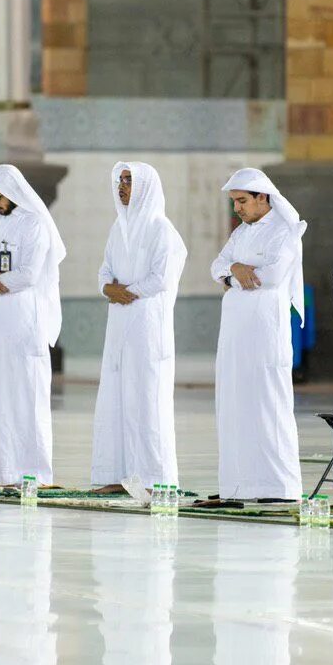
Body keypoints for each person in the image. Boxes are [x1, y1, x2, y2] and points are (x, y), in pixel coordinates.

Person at [210, 168, 307, 501]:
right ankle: (240, 484)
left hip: (266, 330)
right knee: (236, 402)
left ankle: (278, 486)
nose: (237, 208)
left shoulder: (285, 232)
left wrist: (231, 275)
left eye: (241, 201)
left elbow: (272, 276)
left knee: (268, 402)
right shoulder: (241, 234)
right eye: (234, 202)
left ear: (262, 197)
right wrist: (236, 269)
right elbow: (217, 266)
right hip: (235, 333)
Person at [91, 162, 188, 493]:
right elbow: (104, 270)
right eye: (120, 179)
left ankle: (153, 478)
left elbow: (162, 277)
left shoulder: (162, 229)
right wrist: (109, 288)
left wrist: (125, 291)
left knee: (146, 400)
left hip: (147, 326)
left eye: (129, 180)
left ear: (146, 186)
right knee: (115, 399)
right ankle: (118, 477)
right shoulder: (117, 228)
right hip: (119, 324)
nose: (122, 185)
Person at [0, 164, 66, 487]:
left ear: (13, 193)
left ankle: (31, 472)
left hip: (25, 319)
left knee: (24, 395)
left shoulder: (35, 224)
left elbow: (29, 274)